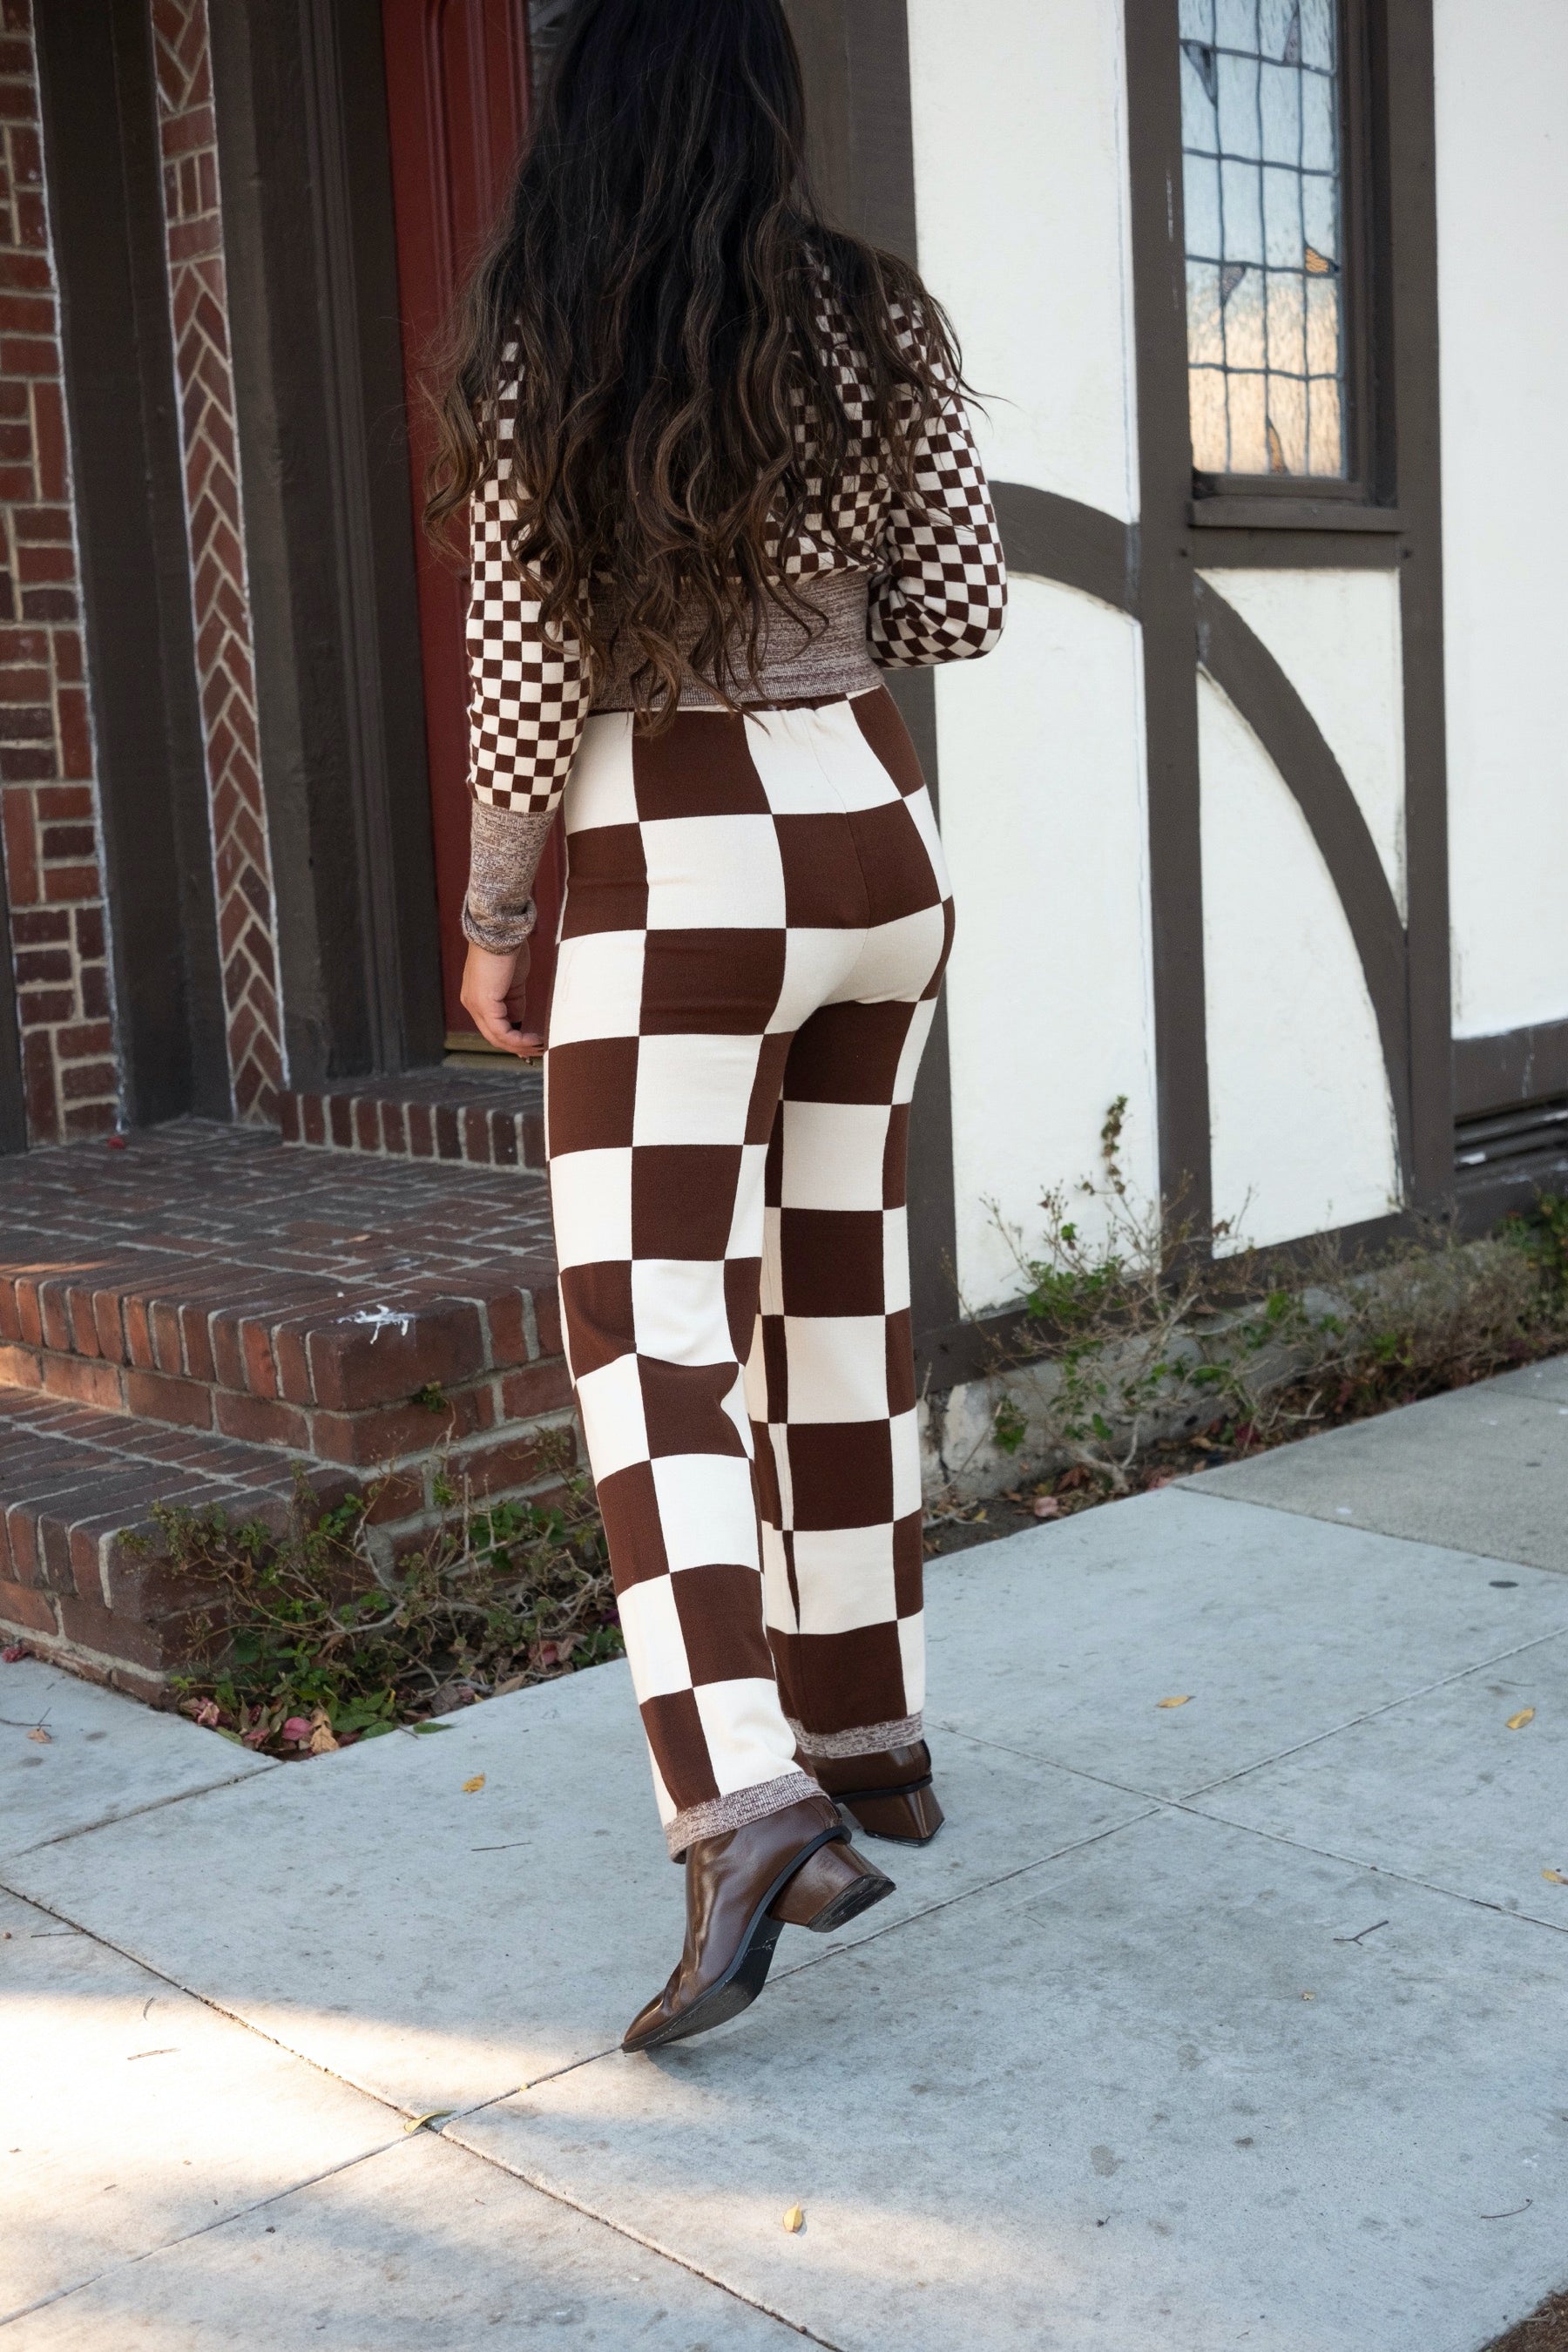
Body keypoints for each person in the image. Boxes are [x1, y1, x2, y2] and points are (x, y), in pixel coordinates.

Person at [426, 0, 1005, 2052]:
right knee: (835, 1284)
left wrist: (500, 918)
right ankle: (868, 1738)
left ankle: (745, 1804)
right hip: (878, 838)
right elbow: (960, 604)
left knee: (648, 1319)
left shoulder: (551, 338)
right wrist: (816, 605)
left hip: (678, 855)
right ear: (767, 97)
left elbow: (525, 680)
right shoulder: (876, 318)